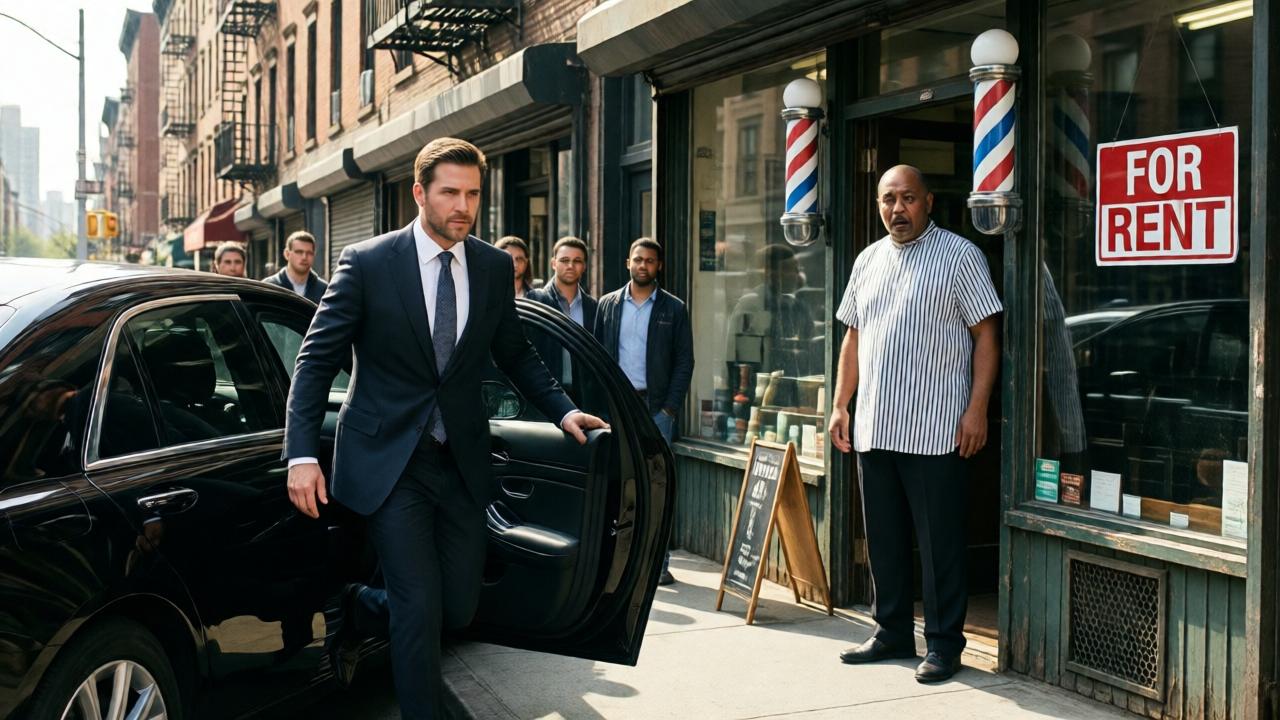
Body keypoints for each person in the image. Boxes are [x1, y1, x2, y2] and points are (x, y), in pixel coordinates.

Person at [283, 137, 606, 719]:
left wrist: (561, 409)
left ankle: (358, 606)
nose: (463, 206)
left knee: (457, 607)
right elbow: (313, 361)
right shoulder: (367, 262)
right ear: (419, 193)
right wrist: (301, 454)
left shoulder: (490, 266)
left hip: (459, 461)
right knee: (418, 605)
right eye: (450, 192)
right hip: (389, 462)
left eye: (473, 194)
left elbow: (516, 352)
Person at [829, 165, 1001, 683]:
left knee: (940, 542)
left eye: (907, 198)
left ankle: (945, 644)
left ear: (928, 201)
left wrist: (977, 409)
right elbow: (853, 339)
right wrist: (841, 404)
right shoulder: (868, 259)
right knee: (883, 539)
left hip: (936, 428)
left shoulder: (961, 256)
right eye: (888, 200)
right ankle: (892, 632)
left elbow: (987, 338)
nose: (896, 209)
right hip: (876, 425)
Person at [594, 237, 694, 586]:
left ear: (659, 266)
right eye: (637, 259)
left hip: (655, 409)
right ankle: (616, 563)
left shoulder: (673, 309)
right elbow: (595, 358)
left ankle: (658, 564)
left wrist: (669, 407)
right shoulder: (607, 305)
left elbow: (685, 361)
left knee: (656, 487)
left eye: (650, 261)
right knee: (618, 485)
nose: (643, 265)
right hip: (617, 409)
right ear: (627, 263)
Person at [528, 236, 597, 385]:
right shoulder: (535, 300)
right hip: (544, 392)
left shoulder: (593, 307)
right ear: (553, 263)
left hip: (584, 396)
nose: (571, 266)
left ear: (584, 266)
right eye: (565, 260)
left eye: (577, 261)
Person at [267, 231, 328, 304]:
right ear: (287, 254)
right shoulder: (269, 287)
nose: (304, 257)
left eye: (309, 253)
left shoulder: (324, 290)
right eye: (299, 252)